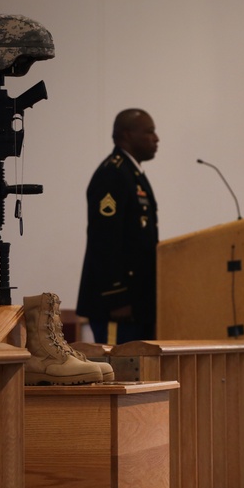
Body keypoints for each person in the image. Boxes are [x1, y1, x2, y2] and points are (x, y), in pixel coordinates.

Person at [76, 109, 160, 345]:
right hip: (117, 306)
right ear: (127, 135)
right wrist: (117, 297)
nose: (156, 138)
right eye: (150, 131)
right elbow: (104, 239)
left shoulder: (133, 174)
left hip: (136, 303)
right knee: (118, 374)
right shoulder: (113, 174)